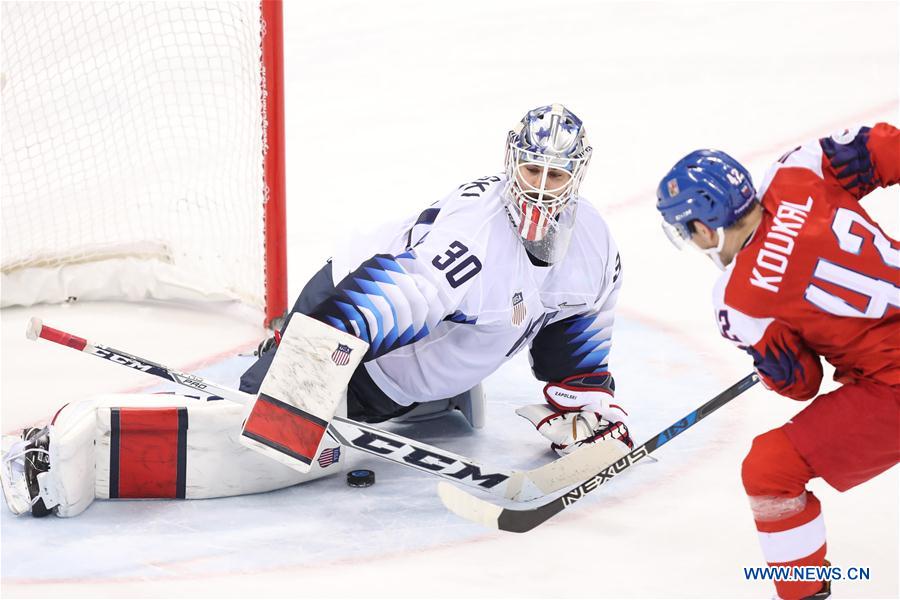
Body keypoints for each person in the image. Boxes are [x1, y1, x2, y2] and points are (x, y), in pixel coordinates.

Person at [2, 104, 632, 518]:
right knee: (262, 445)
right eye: (531, 168)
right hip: (345, 329)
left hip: (424, 370)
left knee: (315, 428)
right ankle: (54, 457)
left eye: (555, 175)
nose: (540, 186)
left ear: (577, 174)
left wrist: (582, 401)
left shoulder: (594, 243)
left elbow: (575, 326)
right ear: (509, 160)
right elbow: (372, 308)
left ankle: (437, 397)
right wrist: (297, 389)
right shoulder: (474, 240)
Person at [655, 123, 899, 600]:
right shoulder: (798, 169)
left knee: (771, 470)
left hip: (893, 387)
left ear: (705, 227)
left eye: (689, 232)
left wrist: (771, 365)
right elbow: (885, 149)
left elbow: (802, 382)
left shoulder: (739, 300)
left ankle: (802, 593)